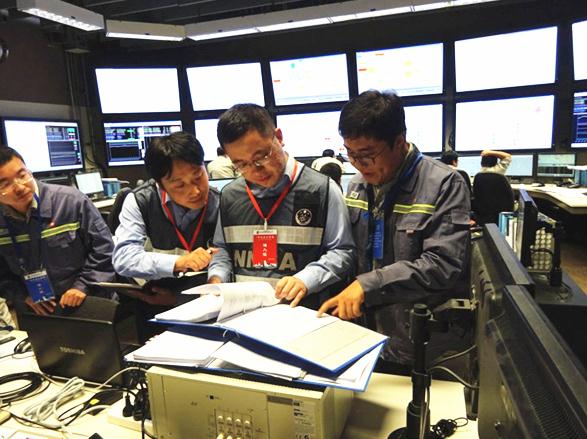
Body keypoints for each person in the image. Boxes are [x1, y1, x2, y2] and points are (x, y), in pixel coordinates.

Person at [317, 91, 471, 369]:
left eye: (367, 155)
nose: (358, 165)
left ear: (398, 142)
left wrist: (367, 286)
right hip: (363, 335)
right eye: (351, 154)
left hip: (418, 341)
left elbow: (442, 264)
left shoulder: (444, 183)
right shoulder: (358, 184)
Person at [208, 104, 355, 308]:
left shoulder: (322, 189)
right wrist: (216, 280)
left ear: (278, 137)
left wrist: (305, 280)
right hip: (243, 313)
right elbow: (222, 249)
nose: (255, 170)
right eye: (241, 164)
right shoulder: (230, 195)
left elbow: (343, 251)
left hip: (301, 312)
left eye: (261, 156)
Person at [0, 146, 115, 316]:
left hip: (88, 298)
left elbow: (105, 249)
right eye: (5, 184)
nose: (19, 187)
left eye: (22, 175)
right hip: (36, 308)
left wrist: (83, 286)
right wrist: (23, 296)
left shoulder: (71, 201)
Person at [113, 131, 219, 304]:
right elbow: (124, 258)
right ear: (160, 185)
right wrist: (180, 262)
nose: (195, 191)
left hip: (204, 300)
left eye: (198, 176)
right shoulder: (141, 201)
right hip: (151, 298)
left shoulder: (221, 203)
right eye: (180, 185)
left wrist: (180, 298)